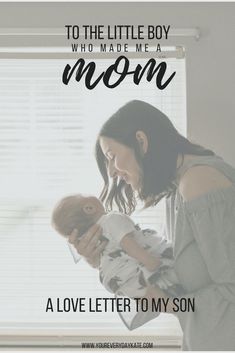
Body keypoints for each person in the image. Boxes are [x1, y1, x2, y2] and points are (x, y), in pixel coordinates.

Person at [68, 100, 235, 350]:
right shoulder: (176, 190)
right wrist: (105, 259)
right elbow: (179, 279)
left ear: (142, 142)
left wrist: (167, 304)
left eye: (112, 157)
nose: (112, 173)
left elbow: (231, 292)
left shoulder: (199, 181)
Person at [51, 194, 183, 299]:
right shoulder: (111, 219)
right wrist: (148, 260)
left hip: (118, 280)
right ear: (89, 208)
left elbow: (104, 261)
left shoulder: (97, 238)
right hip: (142, 268)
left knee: (159, 289)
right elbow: (127, 243)